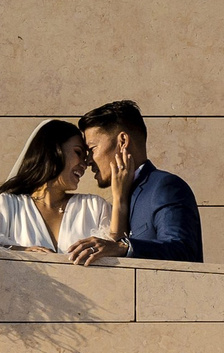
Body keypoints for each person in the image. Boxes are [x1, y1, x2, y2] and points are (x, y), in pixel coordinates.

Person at [67, 99, 202, 264]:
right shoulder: (120, 195)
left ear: (122, 141)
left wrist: (122, 248)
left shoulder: (164, 186)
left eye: (92, 149)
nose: (88, 161)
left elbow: (183, 251)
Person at [0, 117, 109, 254]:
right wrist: (20, 252)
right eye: (78, 152)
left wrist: (120, 193)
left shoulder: (95, 207)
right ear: (52, 151)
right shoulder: (5, 206)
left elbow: (119, 256)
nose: (85, 164)